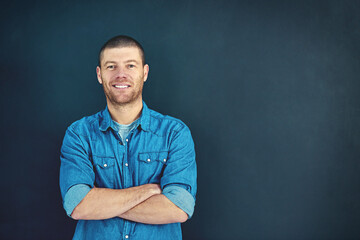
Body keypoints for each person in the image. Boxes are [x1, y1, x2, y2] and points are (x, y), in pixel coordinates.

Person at [59, 35, 197, 240]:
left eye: (130, 66)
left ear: (145, 72)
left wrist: (100, 203)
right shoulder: (79, 134)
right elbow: (77, 205)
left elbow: (178, 208)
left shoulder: (175, 133)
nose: (121, 75)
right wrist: (147, 191)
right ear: (99, 74)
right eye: (111, 66)